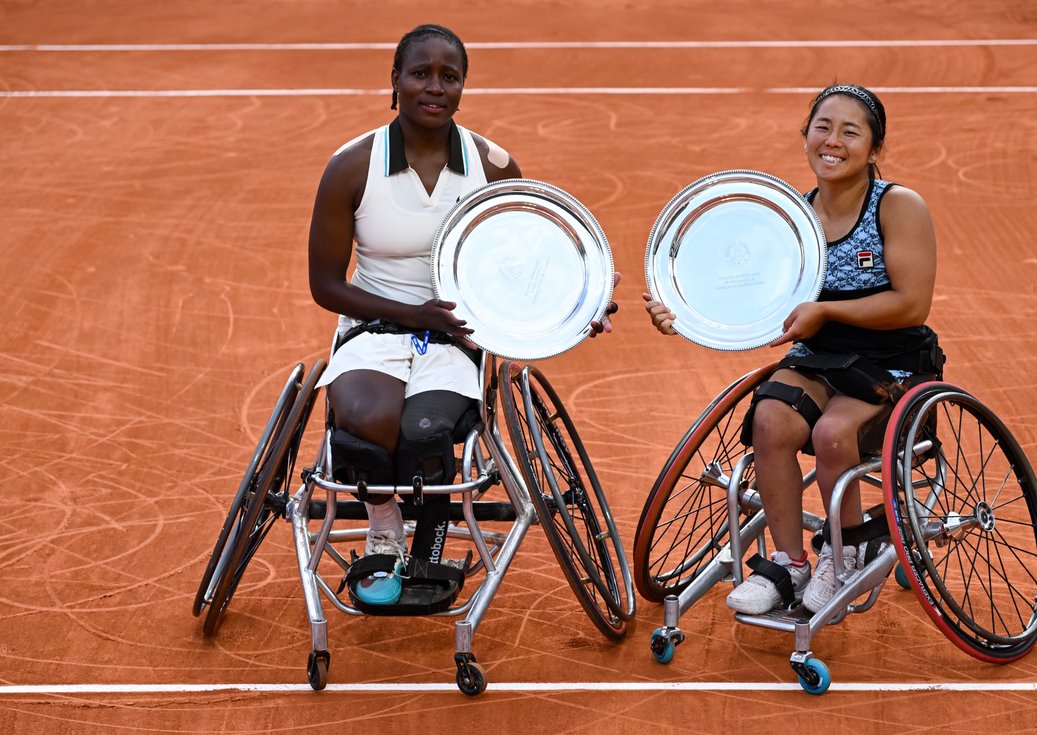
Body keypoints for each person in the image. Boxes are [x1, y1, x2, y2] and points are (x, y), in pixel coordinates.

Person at [308, 24, 617, 606]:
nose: (435, 87)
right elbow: (324, 285)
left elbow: (534, 256)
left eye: (449, 77)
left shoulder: (492, 167)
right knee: (367, 417)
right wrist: (412, 311)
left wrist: (587, 299)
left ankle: (429, 535)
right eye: (420, 73)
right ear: (395, 81)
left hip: (455, 339)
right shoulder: (351, 166)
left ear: (463, 86)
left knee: (425, 432)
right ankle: (383, 527)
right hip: (373, 330)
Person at [644, 84, 943, 616]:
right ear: (805, 136)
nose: (833, 141)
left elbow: (911, 304)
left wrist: (828, 310)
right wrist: (679, 315)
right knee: (770, 421)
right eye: (822, 127)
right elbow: (742, 296)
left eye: (851, 132)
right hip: (820, 359)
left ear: (874, 148)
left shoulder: (898, 206)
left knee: (832, 433)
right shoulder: (789, 218)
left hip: (891, 360)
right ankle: (790, 562)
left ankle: (845, 550)